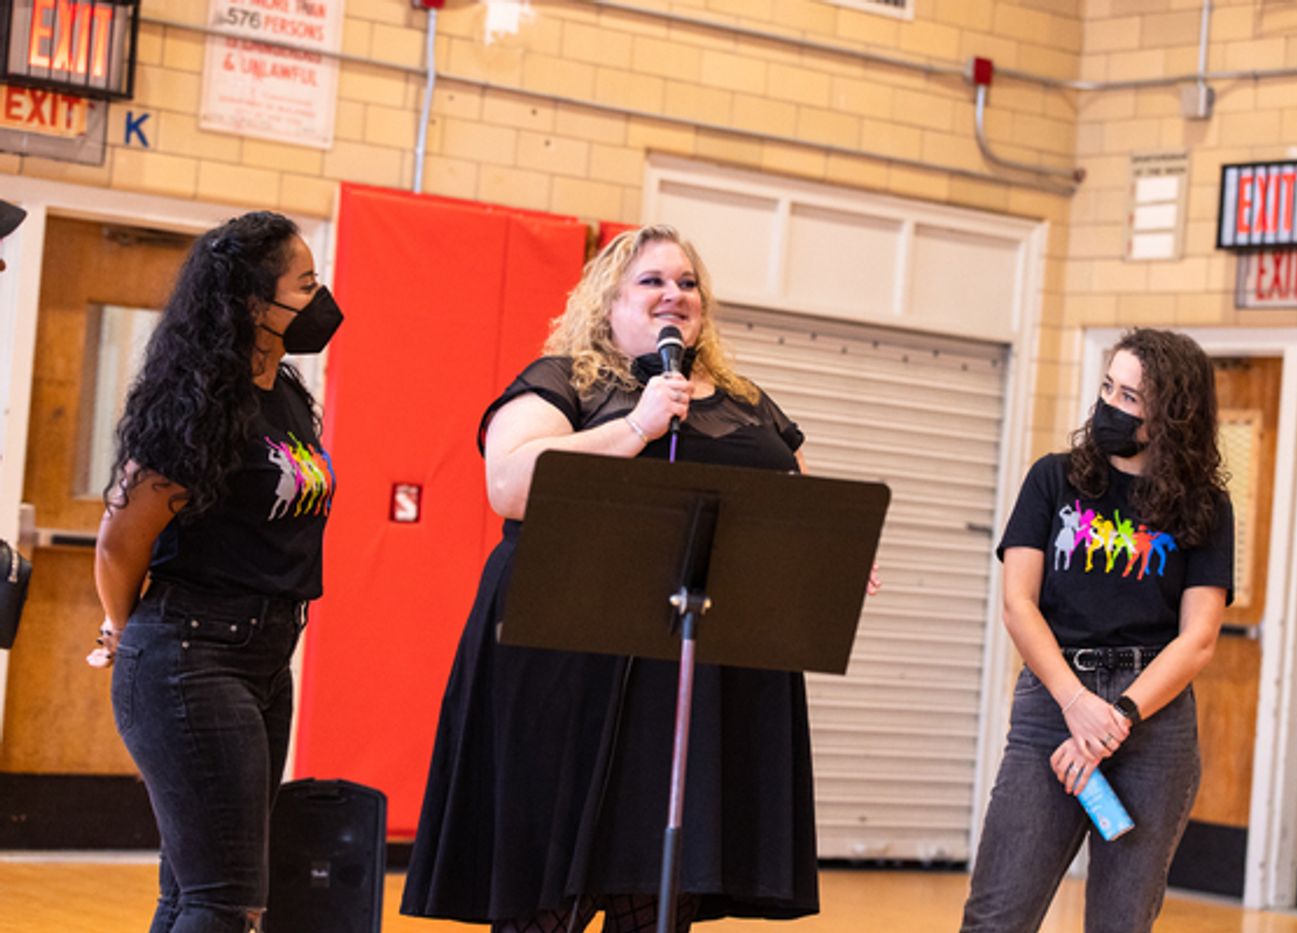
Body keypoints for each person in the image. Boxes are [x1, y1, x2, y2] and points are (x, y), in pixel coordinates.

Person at [403, 225, 876, 933]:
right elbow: (508, 483)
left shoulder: (747, 401)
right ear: (608, 303)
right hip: (565, 658)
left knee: (660, 881)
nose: (674, 295)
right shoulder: (562, 381)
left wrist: (823, 557)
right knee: (545, 885)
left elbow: (796, 501)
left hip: (696, 665)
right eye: (652, 281)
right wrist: (636, 428)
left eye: (688, 283)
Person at [90, 210, 342, 932]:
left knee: (194, 891)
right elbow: (118, 541)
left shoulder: (288, 392)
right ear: (252, 305)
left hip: (266, 655)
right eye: (306, 284)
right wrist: (119, 626)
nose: (321, 300)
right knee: (228, 899)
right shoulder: (199, 402)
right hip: (191, 654)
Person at [960, 328, 1235, 933]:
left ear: (1173, 412)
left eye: (1132, 397)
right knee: (996, 916)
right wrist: (1078, 704)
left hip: (1152, 725)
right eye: (1109, 386)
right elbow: (1019, 604)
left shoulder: (1205, 506)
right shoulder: (1052, 479)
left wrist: (1119, 718)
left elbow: (1199, 638)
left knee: (1121, 923)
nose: (1111, 404)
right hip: (1053, 710)